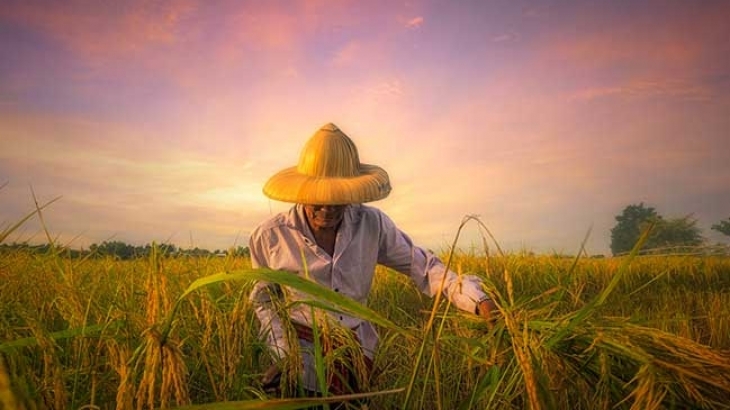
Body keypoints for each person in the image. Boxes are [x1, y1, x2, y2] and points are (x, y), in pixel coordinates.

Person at [249, 123, 497, 404]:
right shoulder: (271, 237)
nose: (328, 208)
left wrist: (479, 300)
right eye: (318, 198)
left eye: (338, 198)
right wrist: (284, 355)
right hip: (302, 360)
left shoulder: (372, 224)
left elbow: (423, 267)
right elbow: (264, 302)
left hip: (356, 356)